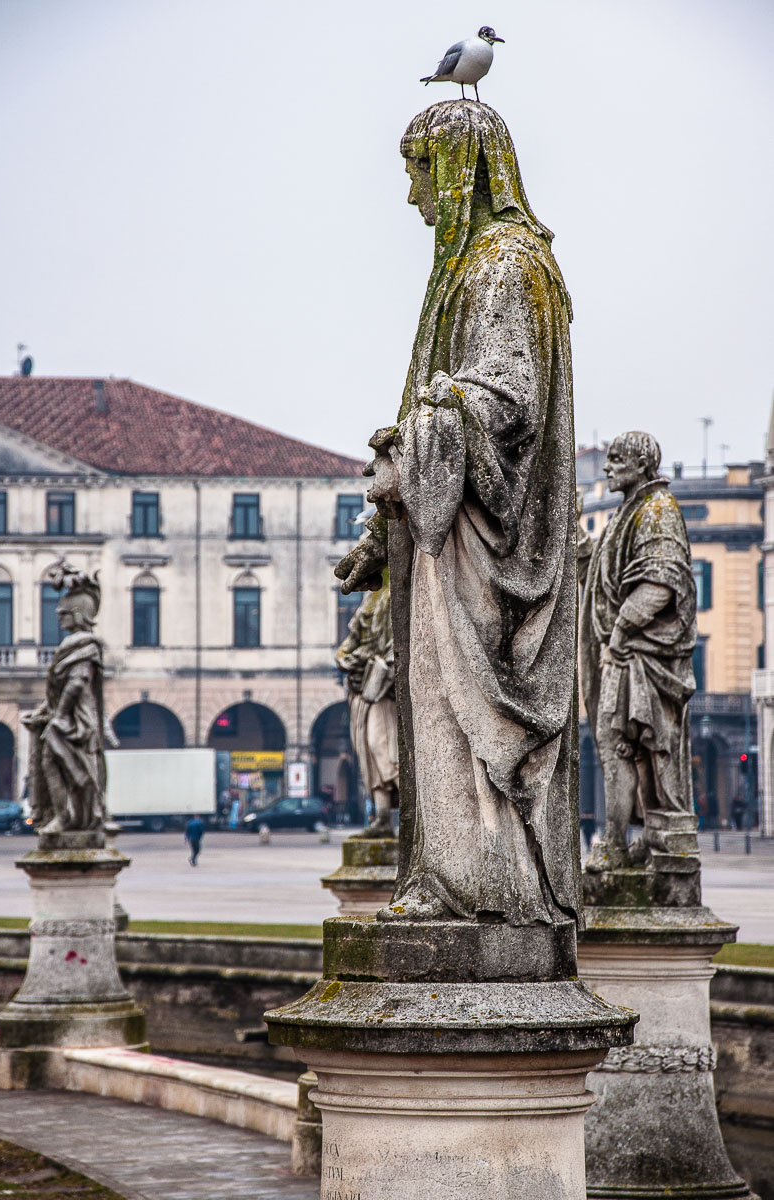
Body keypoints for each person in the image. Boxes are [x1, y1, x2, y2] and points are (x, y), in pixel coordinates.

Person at [336, 100, 579, 924]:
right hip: (451, 534)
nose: (411, 197)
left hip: (484, 541)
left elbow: (505, 402)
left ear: (455, 171)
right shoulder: (472, 269)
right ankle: (450, 875)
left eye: (416, 174)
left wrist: (416, 440)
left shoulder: (503, 264)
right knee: (430, 710)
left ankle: (482, 884)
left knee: (454, 711)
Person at [580, 432, 697, 868]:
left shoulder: (657, 510)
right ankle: (641, 839)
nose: (608, 467)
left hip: (639, 655)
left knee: (621, 744)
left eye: (616, 459)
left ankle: (615, 843)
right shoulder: (629, 511)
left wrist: (620, 634)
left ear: (642, 465)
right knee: (631, 747)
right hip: (628, 652)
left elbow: (660, 583)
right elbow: (605, 573)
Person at [23, 561, 106, 834]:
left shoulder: (84, 646)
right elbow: (60, 691)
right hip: (67, 720)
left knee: (55, 763)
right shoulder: (75, 644)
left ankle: (65, 817)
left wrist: (58, 717)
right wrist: (42, 712)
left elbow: (77, 683)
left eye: (65, 611)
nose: (59, 614)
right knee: (58, 765)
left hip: (76, 724)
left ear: (78, 613)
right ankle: (64, 815)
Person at [336, 572, 399, 838]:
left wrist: (386, 664)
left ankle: (411, 814)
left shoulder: (398, 591)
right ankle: (382, 817)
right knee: (368, 756)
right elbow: (349, 643)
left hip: (383, 687)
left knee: (382, 746)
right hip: (362, 687)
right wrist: (343, 658)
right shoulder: (370, 599)